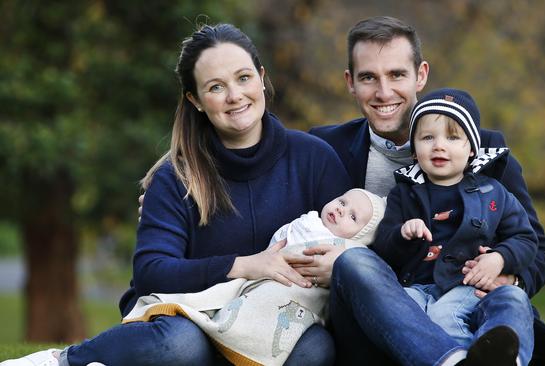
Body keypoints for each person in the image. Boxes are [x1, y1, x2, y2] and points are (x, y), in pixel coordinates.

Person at [2, 23, 350, 366]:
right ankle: (64, 361)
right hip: (186, 317)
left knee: (314, 348)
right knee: (180, 346)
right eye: (216, 87)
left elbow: (355, 242)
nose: (234, 96)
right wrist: (244, 266)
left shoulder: (313, 159)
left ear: (261, 77)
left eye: (243, 78)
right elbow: (152, 271)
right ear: (195, 100)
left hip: (271, 320)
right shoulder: (176, 176)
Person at [305, 16, 545, 365]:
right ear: (350, 83)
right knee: (353, 261)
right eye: (369, 77)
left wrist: (506, 274)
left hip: (467, 299)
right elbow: (299, 234)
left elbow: (539, 251)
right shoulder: (324, 147)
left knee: (505, 305)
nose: (383, 92)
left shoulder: (485, 150)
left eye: (397, 74)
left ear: (421, 75)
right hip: (374, 321)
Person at [123, 188, 386, 366]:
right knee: (185, 339)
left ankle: (240, 342)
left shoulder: (344, 247)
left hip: (298, 296)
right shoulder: (309, 220)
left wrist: (343, 260)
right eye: (341, 202)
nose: (341, 210)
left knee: (313, 345)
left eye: (352, 216)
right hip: (257, 277)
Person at [373, 87, 537, 364]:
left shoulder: (492, 193)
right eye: (427, 137)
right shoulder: (404, 194)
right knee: (397, 312)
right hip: (416, 286)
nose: (439, 145)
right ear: (414, 150)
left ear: (471, 148)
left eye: (452, 137)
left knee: (452, 313)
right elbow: (384, 248)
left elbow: (525, 238)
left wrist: (499, 259)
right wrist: (401, 233)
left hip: (465, 284)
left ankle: (504, 359)